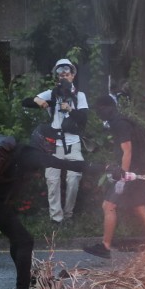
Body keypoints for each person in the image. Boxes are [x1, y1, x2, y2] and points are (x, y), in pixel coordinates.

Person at [0, 126, 87, 289]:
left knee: (19, 241)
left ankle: (25, 286)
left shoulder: (22, 151)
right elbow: (63, 164)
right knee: (24, 241)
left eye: (54, 142)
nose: (51, 145)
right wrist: (101, 167)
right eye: (49, 142)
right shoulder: (31, 154)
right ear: (39, 139)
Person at [83, 96, 145, 259]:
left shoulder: (119, 123)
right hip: (139, 168)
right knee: (138, 206)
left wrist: (122, 178)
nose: (99, 113)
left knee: (109, 205)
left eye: (100, 109)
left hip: (132, 171)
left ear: (108, 108)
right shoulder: (120, 121)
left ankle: (105, 246)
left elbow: (127, 151)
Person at [22, 58, 89, 225]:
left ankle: (68, 215)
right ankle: (56, 218)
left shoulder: (79, 95)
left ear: (73, 75)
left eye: (67, 73)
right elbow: (27, 102)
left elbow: (83, 118)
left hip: (73, 143)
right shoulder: (52, 93)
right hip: (53, 144)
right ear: (57, 77)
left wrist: (70, 109)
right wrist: (39, 101)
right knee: (52, 181)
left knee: (74, 178)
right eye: (60, 74)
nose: (64, 77)